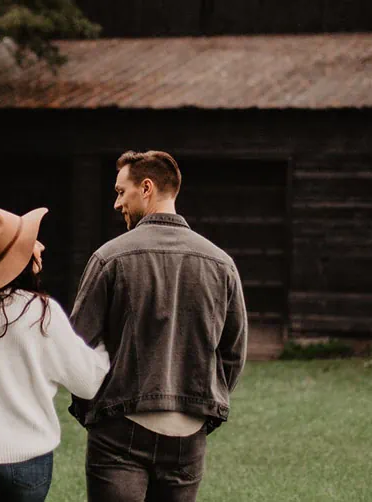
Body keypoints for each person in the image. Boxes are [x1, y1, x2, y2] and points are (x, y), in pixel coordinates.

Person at [68, 150, 249, 502]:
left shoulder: (109, 258)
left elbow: (77, 347)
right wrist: (199, 408)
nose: (117, 203)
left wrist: (94, 412)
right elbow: (233, 352)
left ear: (146, 187)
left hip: (119, 427)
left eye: (121, 192)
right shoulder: (221, 263)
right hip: (188, 432)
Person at [0, 207, 110, 502]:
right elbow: (88, 382)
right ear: (24, 259)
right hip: (26, 463)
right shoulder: (41, 313)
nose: (40, 246)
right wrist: (106, 345)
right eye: (32, 242)